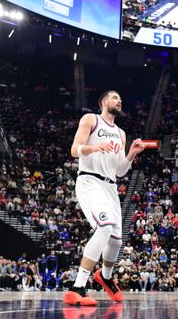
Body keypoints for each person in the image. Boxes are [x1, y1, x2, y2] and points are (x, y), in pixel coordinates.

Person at [66, 90, 146, 306]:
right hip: (90, 181)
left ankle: (106, 277)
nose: (119, 100)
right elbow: (74, 150)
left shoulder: (120, 133)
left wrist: (131, 154)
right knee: (104, 228)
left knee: (116, 240)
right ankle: (77, 287)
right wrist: (94, 147)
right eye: (114, 97)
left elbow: (120, 171)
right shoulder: (91, 119)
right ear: (103, 102)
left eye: (120, 98)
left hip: (111, 186)